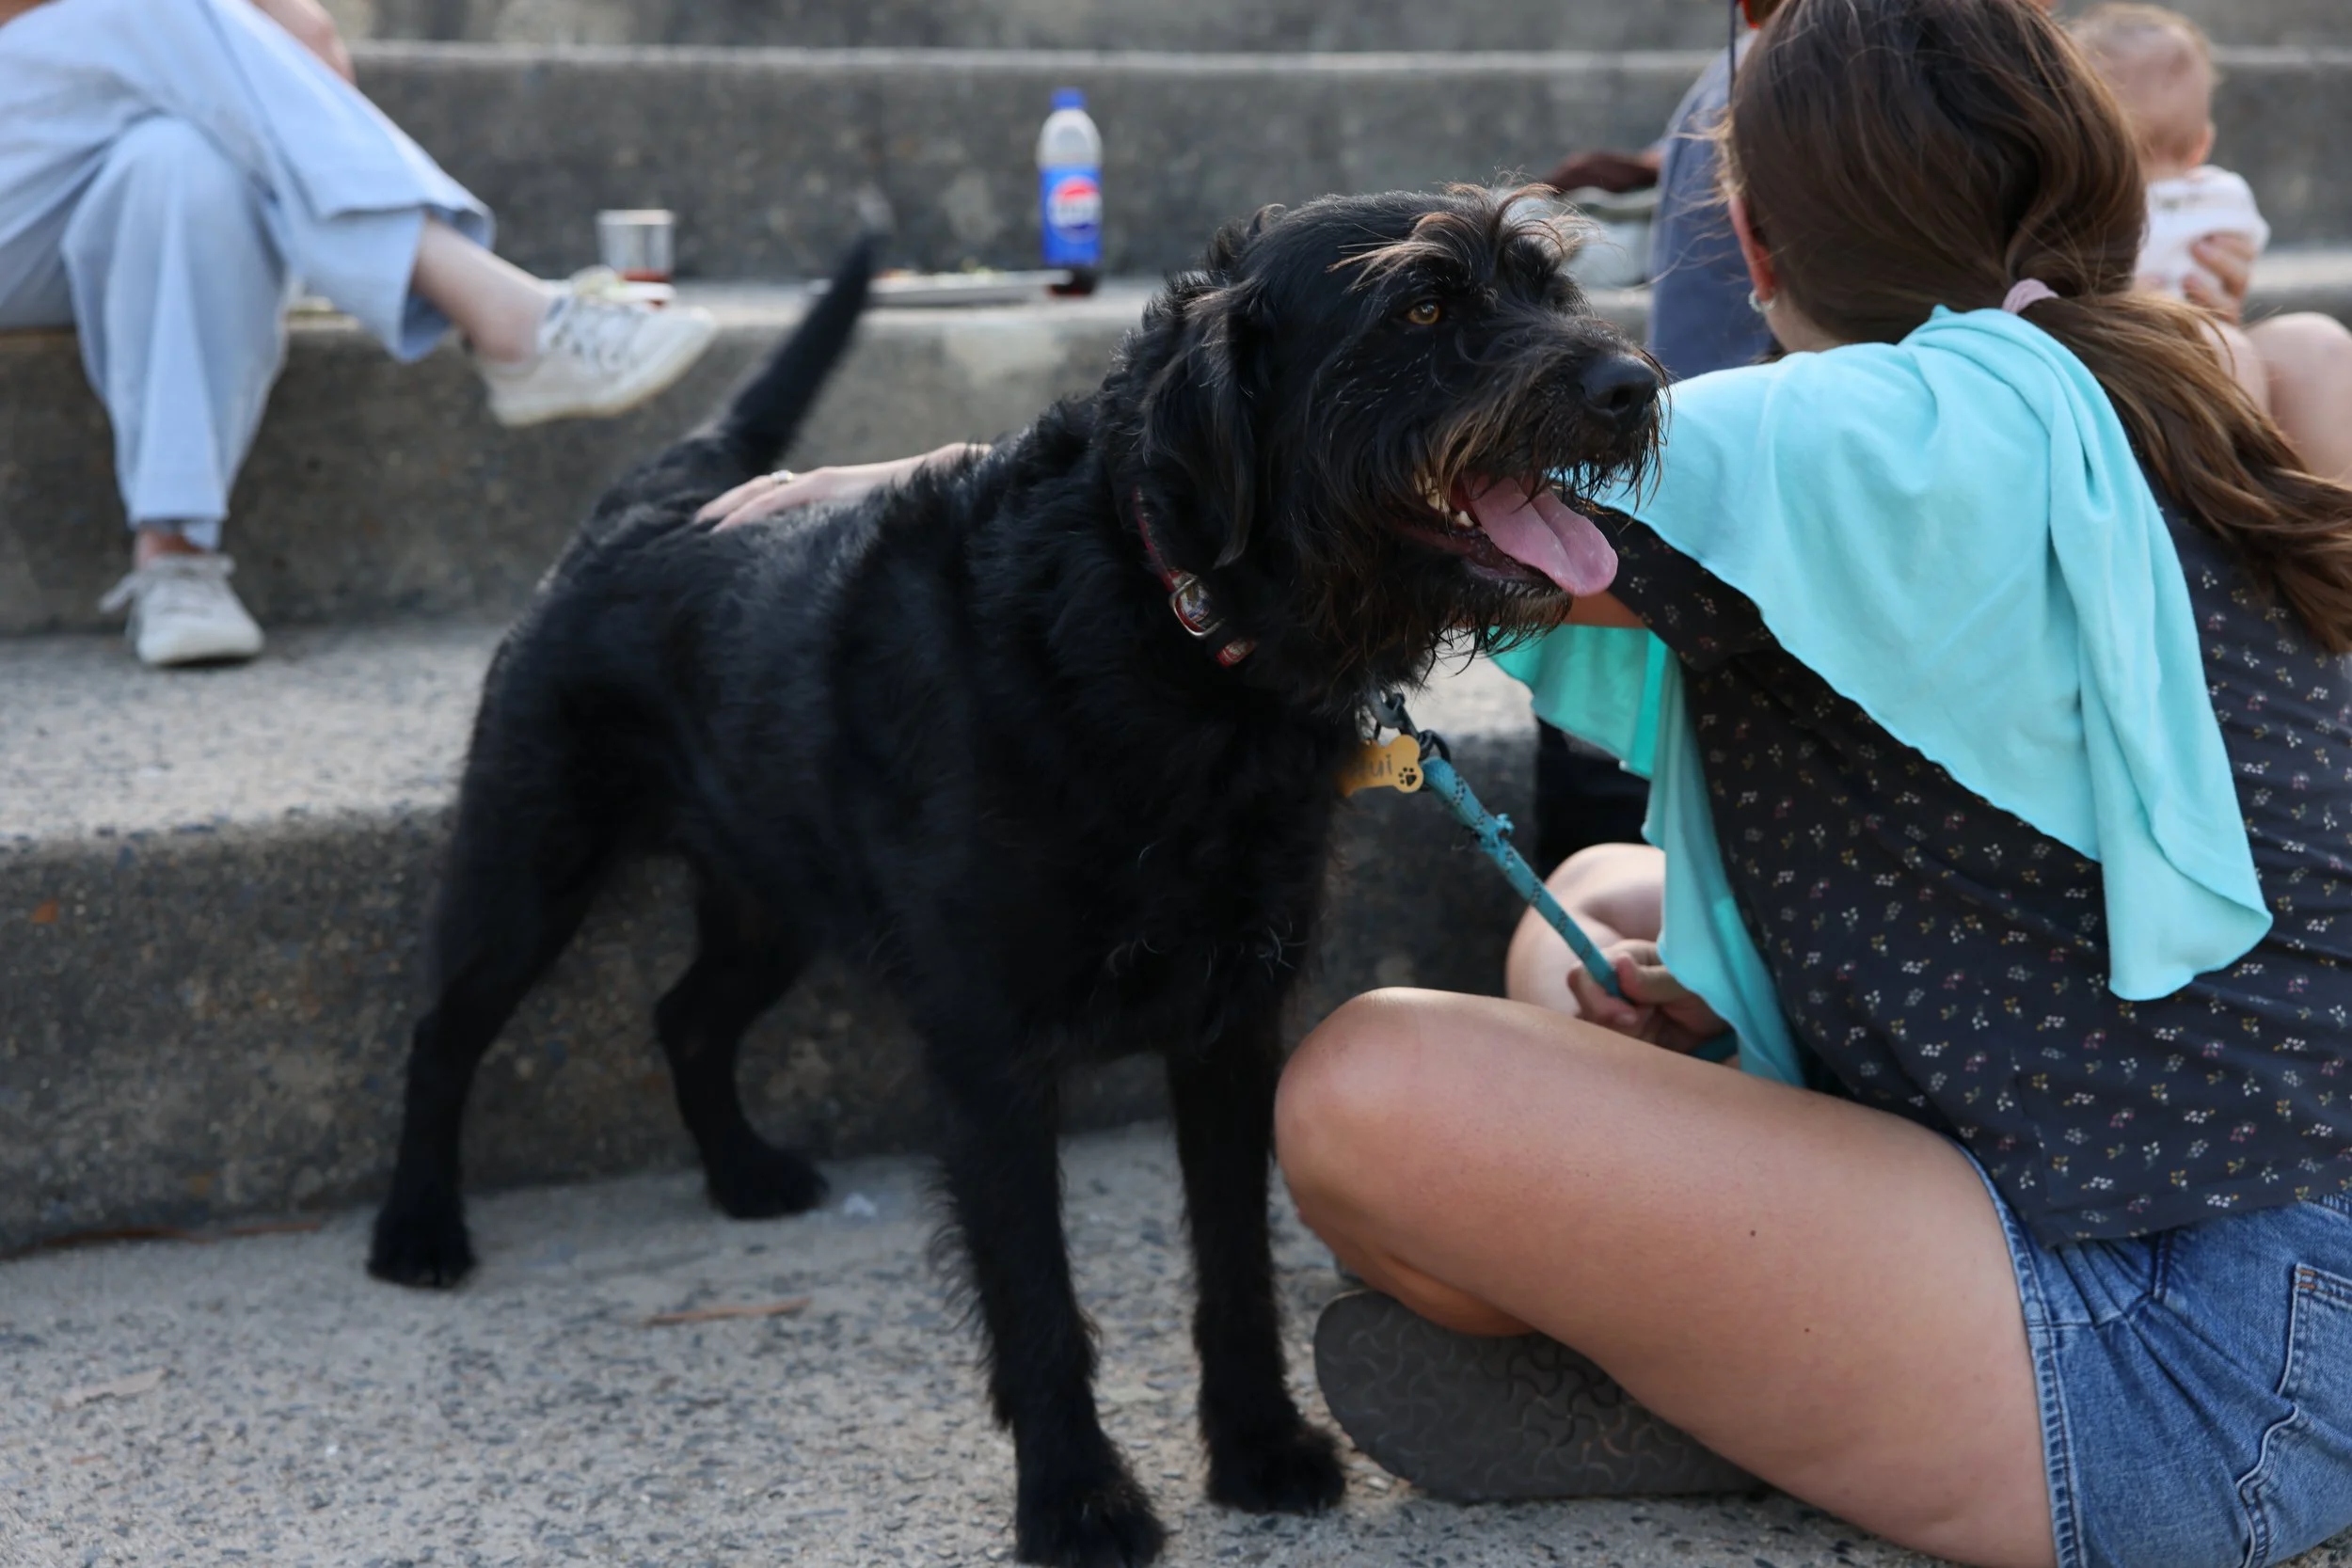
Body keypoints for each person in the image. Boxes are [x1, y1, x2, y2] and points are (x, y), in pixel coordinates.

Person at [1272, 3, 2352, 1566]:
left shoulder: (1856, 430)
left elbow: (1374, 497)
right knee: (1588, 913)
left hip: (2198, 1370)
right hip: (2275, 1260)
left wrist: (937, 496)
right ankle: (1797, 1372)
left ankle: (1748, 1392)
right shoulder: (2135, 384)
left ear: (1752, 244)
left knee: (1367, 1098)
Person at [0, 0, 720, 667]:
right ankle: (502, 311)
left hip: (64, 202)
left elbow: (313, 48)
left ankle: (175, 551)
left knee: (182, 161)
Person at [2072, 2, 2352, 484]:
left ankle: (2331, 551)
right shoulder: (2073, 204)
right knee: (2218, 350)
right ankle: (2225, 552)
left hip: (2185, 341)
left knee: (2319, 347)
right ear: (2202, 143)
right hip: (2090, 354)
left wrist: (2214, 300)